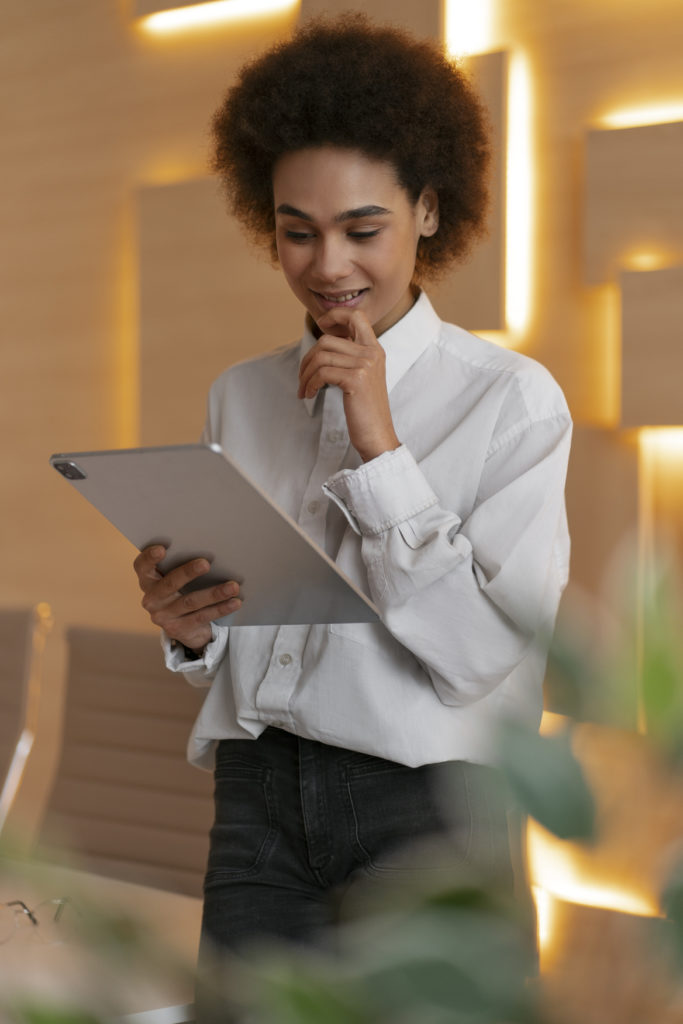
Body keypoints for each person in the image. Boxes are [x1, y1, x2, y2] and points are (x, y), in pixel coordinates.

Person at [133, 13, 571, 971]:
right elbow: (249, 634)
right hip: (255, 796)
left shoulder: (510, 402)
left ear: (425, 208)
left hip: (427, 808)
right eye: (298, 232)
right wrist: (190, 628)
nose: (328, 267)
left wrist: (379, 449)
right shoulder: (239, 393)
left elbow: (481, 661)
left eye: (361, 228)